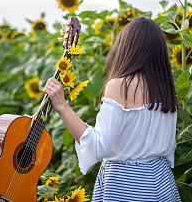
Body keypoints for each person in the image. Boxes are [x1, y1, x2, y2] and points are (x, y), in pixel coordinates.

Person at [43, 16, 181, 201]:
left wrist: (61, 105)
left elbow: (98, 147)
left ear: (126, 48)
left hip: (126, 185)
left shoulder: (120, 86)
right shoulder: (166, 89)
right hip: (162, 182)